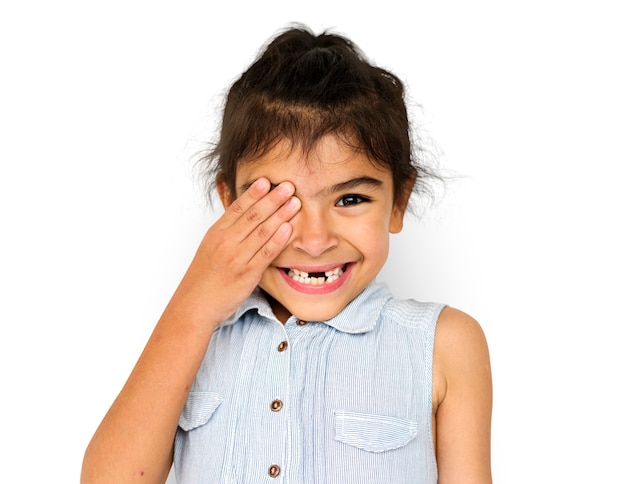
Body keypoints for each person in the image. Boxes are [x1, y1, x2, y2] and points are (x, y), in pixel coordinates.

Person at [81, 24, 492, 483]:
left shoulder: (443, 343)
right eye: (280, 201)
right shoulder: (197, 334)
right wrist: (194, 303)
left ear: (398, 202)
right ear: (231, 204)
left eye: (350, 199)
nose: (314, 241)